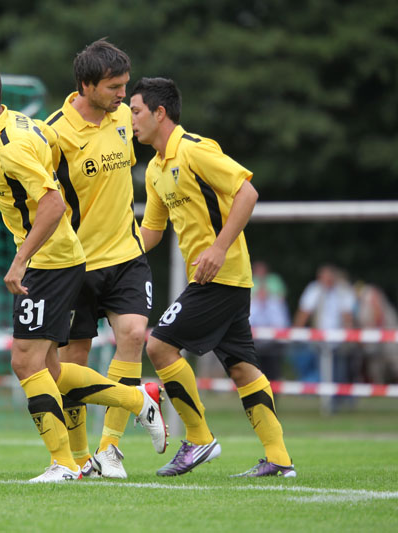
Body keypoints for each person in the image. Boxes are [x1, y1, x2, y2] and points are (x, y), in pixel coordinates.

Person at [0, 56, 166, 483]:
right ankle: (134, 404)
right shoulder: (25, 126)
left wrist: (20, 260)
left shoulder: (11, 144)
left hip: (48, 261)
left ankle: (65, 463)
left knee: (25, 362)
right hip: (64, 257)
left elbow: (52, 204)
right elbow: (52, 165)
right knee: (50, 370)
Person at [131, 77, 296, 477]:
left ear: (159, 113)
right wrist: (104, 252)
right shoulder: (155, 169)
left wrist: (219, 248)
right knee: (242, 367)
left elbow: (247, 193)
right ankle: (279, 459)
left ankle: (199, 439)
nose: (130, 120)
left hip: (221, 275)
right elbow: (151, 231)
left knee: (159, 346)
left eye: (135, 111)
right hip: (216, 279)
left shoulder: (194, 150)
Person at [44, 39, 152, 479]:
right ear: (86, 86)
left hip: (126, 254)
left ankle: (110, 449)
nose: (124, 95)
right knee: (73, 362)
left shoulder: (124, 117)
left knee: (134, 334)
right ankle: (79, 457)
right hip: (76, 264)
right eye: (114, 87)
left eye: (125, 85)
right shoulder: (53, 133)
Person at [293, 264, 356, 384]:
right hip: (318, 341)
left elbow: (348, 317)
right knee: (319, 372)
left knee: (340, 374)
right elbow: (303, 313)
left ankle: (337, 391)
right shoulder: (314, 289)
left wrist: (348, 338)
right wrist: (295, 335)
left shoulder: (343, 291)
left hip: (339, 341)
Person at [249, 262, 291, 381]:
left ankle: (274, 384)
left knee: (272, 369)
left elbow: (280, 323)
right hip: (255, 343)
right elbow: (248, 322)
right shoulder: (252, 304)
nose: (262, 292)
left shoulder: (275, 303)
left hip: (272, 343)